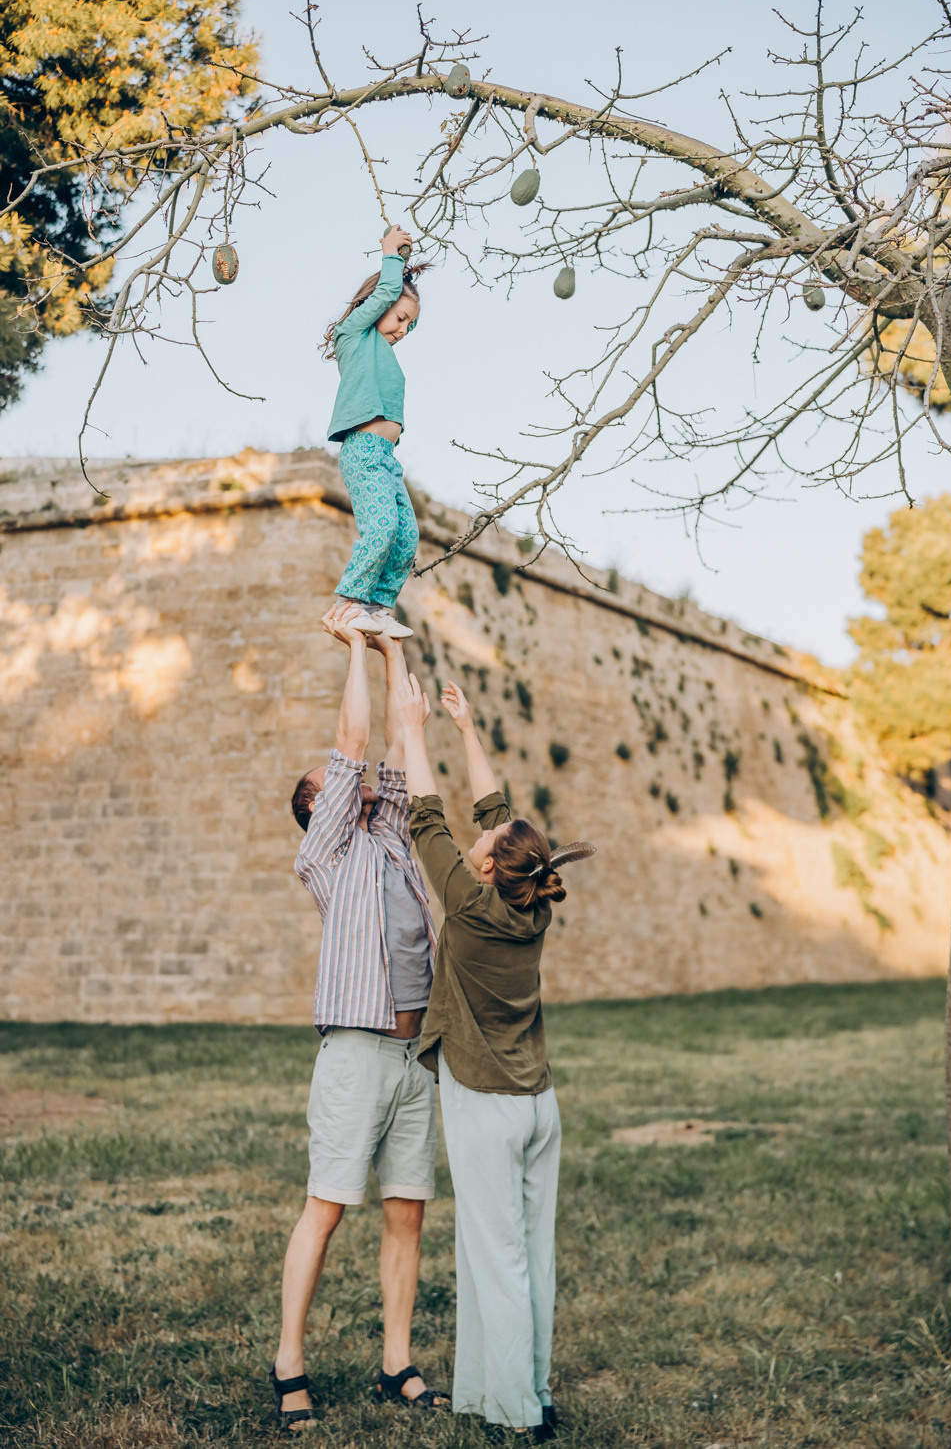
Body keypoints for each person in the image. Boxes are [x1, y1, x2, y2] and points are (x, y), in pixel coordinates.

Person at [269, 624, 450, 1433]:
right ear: (318, 806)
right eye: (336, 782)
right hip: (355, 1052)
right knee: (329, 1206)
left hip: (416, 1056)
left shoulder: (392, 838)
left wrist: (392, 651)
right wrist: (351, 649)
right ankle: (289, 1364)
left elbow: (403, 757)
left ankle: (396, 1362)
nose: (356, 779)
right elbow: (352, 746)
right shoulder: (327, 852)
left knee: (406, 1209)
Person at [395, 673, 567, 1442]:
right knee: (527, 1252)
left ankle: (521, 1414)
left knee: (497, 1256)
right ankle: (508, 1389)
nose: (479, 838)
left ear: (494, 867)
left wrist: (412, 726)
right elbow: (498, 816)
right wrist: (466, 728)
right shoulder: (531, 907)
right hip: (539, 1107)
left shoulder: (467, 905)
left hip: (488, 1105)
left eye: (487, 844)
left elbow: (424, 813)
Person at [320, 224, 430, 641]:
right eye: (400, 319)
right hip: (363, 450)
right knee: (381, 529)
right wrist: (392, 257)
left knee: (406, 536)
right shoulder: (354, 336)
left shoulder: (383, 348)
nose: (402, 330)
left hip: (386, 458)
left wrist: (407, 287)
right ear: (375, 304)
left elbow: (396, 303)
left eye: (409, 326)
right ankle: (345, 606)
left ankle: (378, 608)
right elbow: (385, 295)